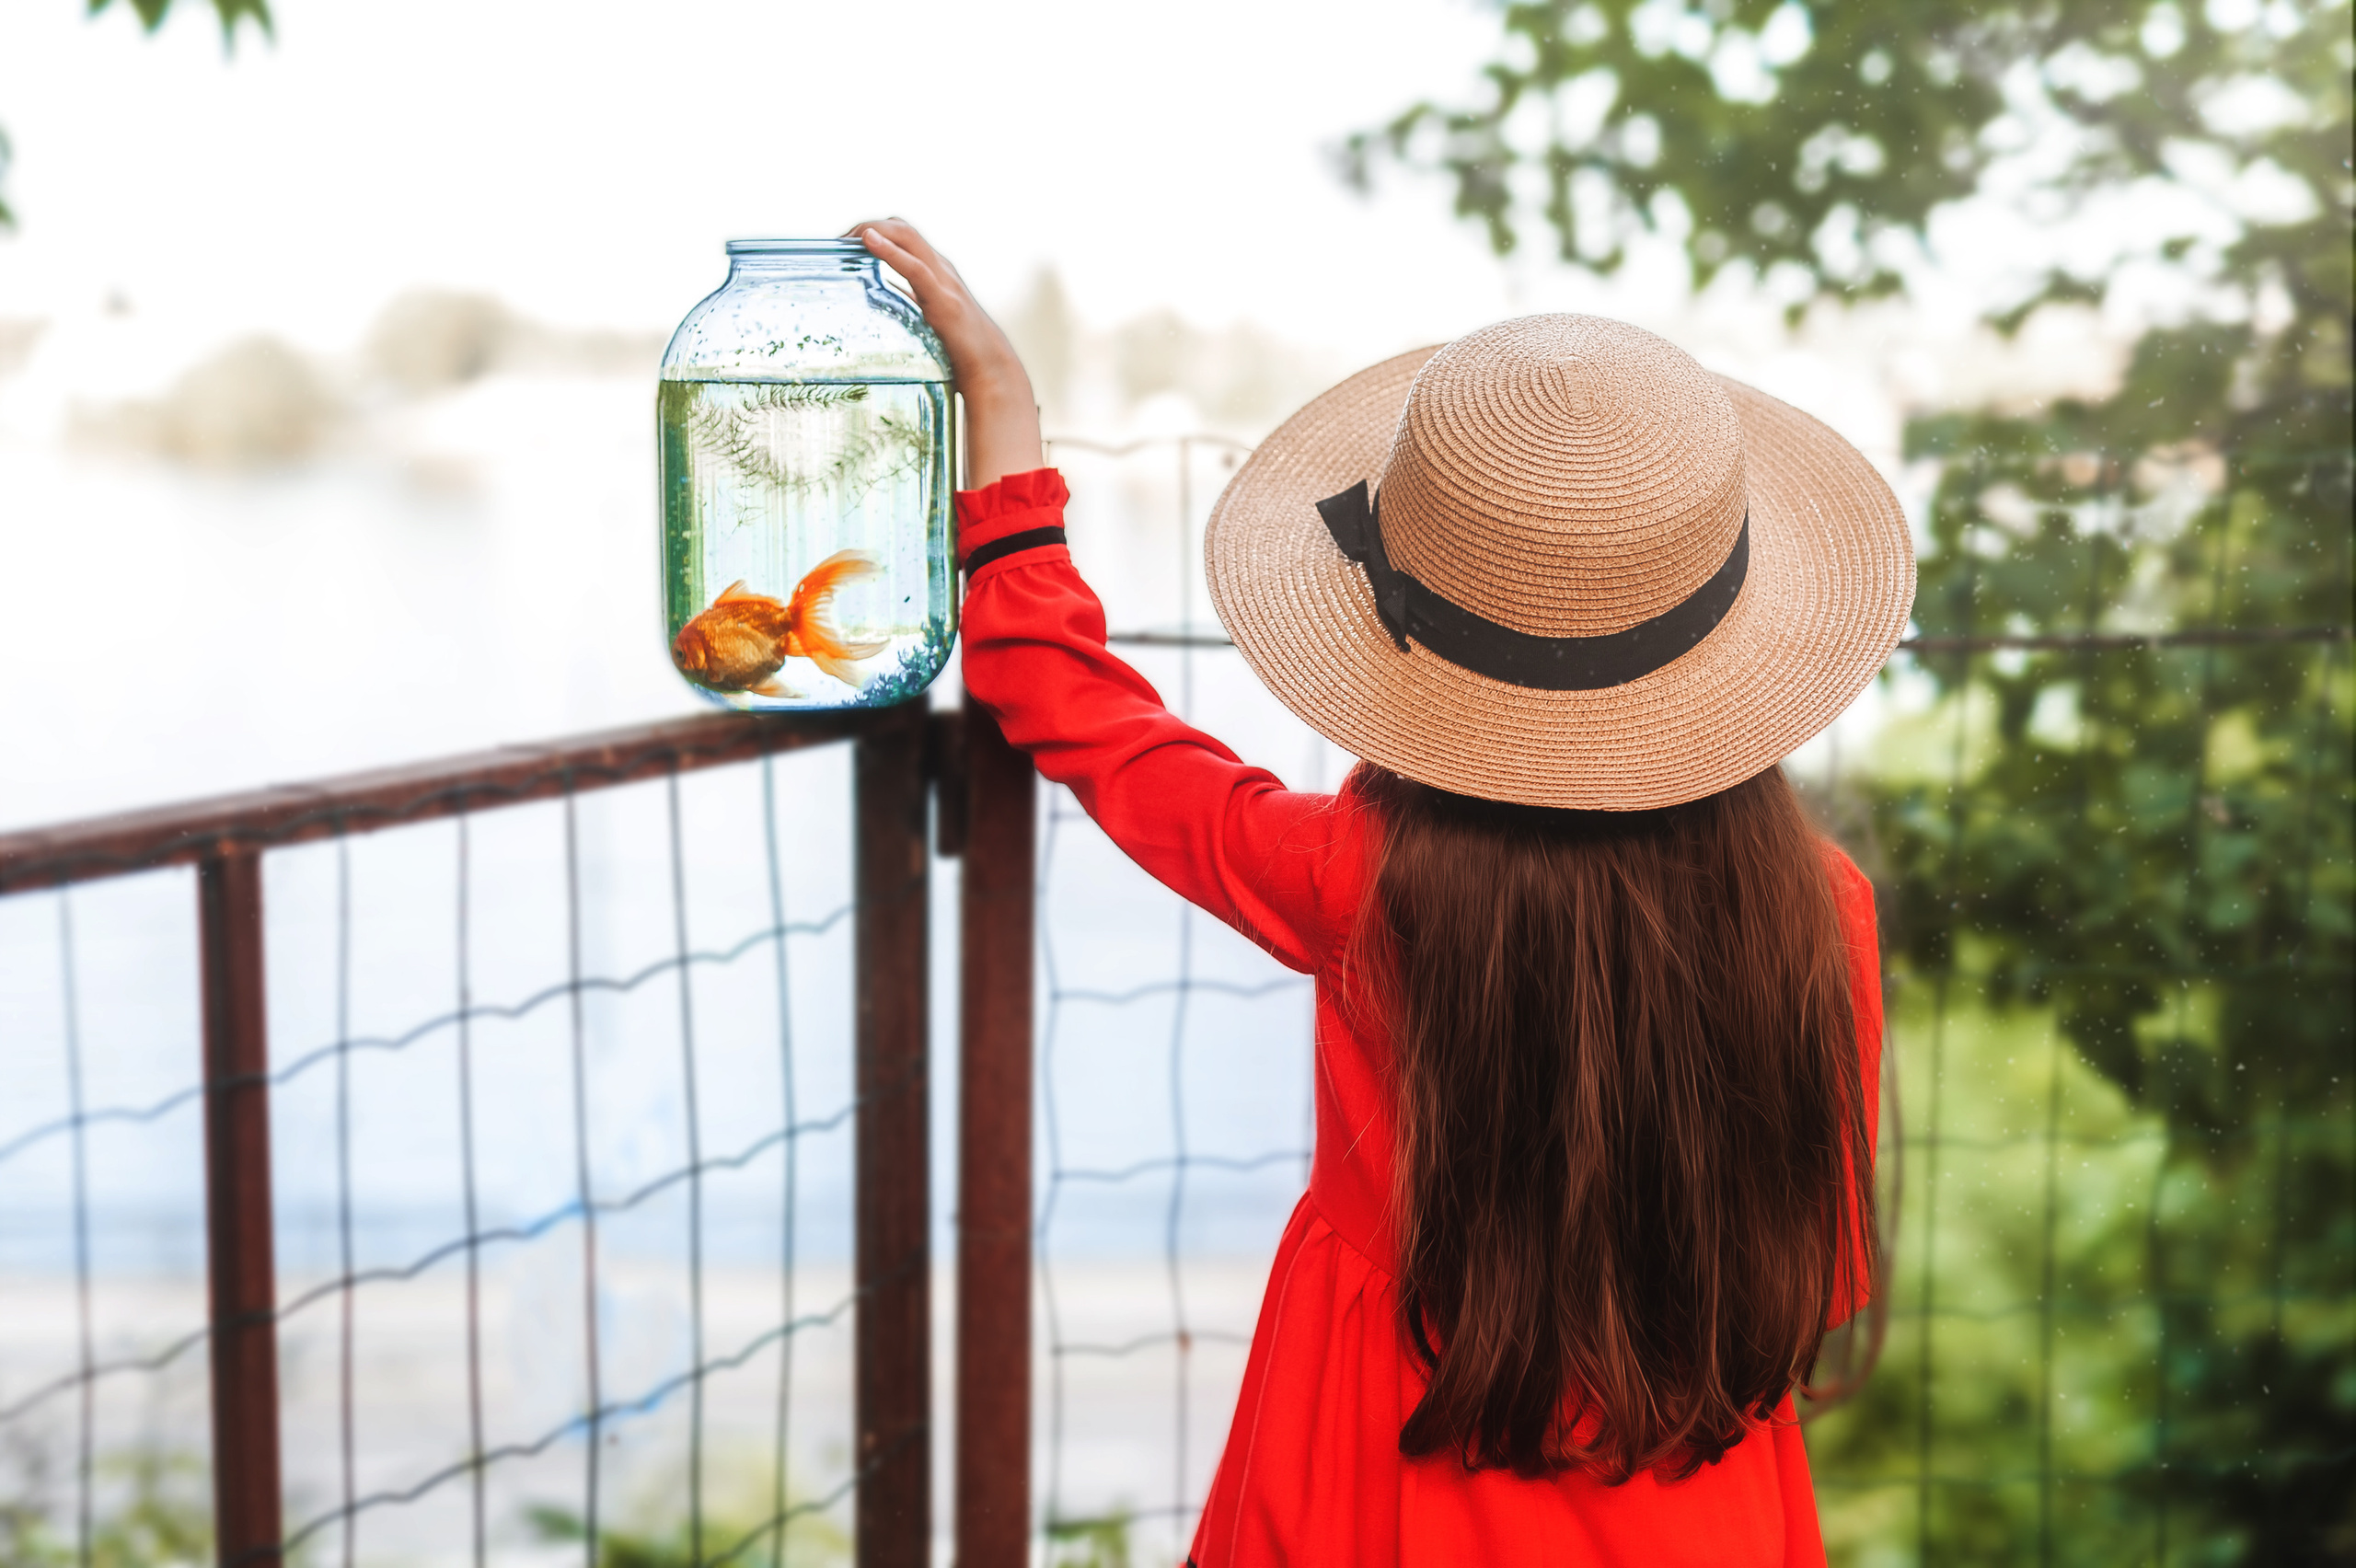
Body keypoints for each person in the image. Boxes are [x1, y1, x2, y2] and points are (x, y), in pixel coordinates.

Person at [855, 219, 1912, 1567]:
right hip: (1694, 1499)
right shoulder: (1821, 912)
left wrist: (1006, 449)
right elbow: (1824, 1270)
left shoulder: (1357, 883)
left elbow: (1097, 731)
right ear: (1723, 651)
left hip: (1378, 1468)